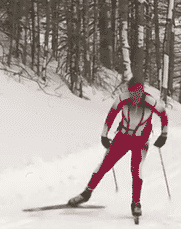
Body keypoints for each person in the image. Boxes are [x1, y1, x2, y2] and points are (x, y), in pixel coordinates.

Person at [68, 78, 168, 218]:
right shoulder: (122, 98)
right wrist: (104, 135)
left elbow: (163, 114)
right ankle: (86, 194)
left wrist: (164, 135)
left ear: (142, 91)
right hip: (123, 137)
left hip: (141, 140)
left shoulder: (150, 101)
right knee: (104, 165)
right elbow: (111, 115)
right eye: (133, 92)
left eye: (138, 93)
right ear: (129, 91)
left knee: (136, 170)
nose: (135, 96)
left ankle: (136, 203)